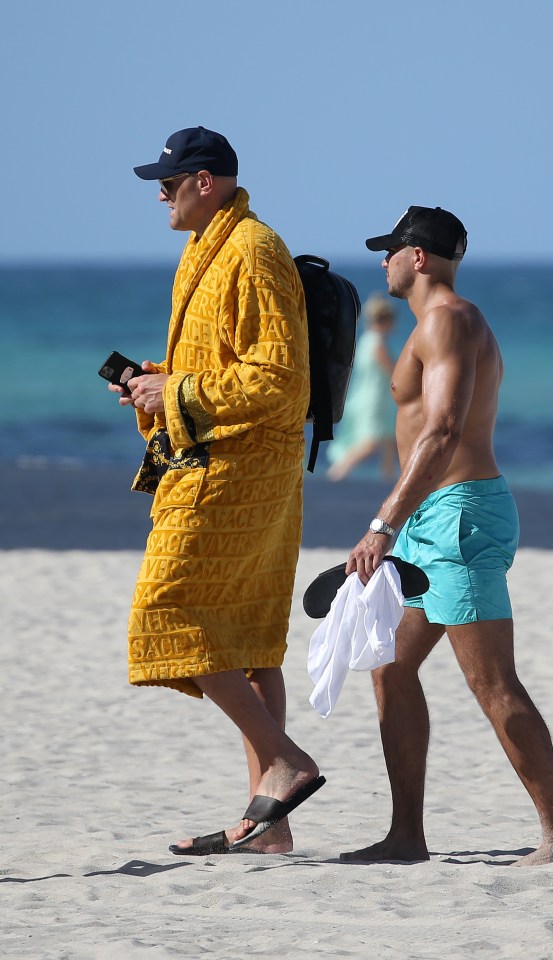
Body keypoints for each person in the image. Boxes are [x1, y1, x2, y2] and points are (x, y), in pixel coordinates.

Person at [340, 205, 553, 865]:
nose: (383, 261)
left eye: (389, 250)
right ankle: (405, 836)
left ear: (416, 256)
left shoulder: (450, 320)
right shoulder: (431, 326)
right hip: (430, 518)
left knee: (493, 680)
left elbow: (443, 430)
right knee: (390, 666)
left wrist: (380, 523)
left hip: (459, 515)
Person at [108, 126, 324, 855]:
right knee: (252, 640)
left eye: (167, 183)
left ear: (206, 181)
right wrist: (155, 385)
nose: (160, 196)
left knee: (167, 608)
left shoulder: (256, 250)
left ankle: (286, 762)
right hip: (220, 459)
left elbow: (280, 379)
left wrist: (179, 390)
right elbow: (215, 363)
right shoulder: (205, 248)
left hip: (241, 470)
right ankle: (271, 828)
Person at [326, 293, 398, 480]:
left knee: (390, 440)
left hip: (372, 397)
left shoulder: (366, 340)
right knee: (371, 442)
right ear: (386, 320)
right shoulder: (377, 343)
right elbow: (393, 371)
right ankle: (336, 474)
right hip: (374, 400)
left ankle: (388, 480)